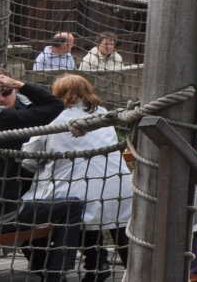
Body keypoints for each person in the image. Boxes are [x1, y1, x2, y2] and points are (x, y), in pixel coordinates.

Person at [22, 74, 133, 282]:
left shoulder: (53, 116)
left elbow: (28, 159)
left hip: (74, 190)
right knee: (95, 205)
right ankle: (97, 264)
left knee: (35, 210)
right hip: (118, 187)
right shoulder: (103, 114)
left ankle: (51, 269)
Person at [0, 71, 65, 202]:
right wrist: (19, 85)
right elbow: (55, 105)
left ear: (15, 91)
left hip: (28, 173)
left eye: (6, 92)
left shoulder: (27, 107)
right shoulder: (10, 118)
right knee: (72, 207)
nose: (1, 99)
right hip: (10, 197)